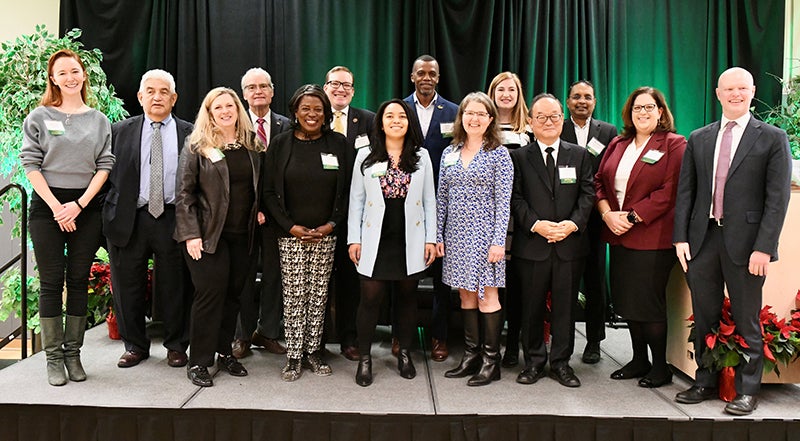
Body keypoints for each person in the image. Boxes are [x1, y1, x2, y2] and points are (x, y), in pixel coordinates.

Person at [673, 67, 792, 415]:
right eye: (729, 89)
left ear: (752, 92)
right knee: (705, 315)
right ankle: (704, 381)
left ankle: (747, 390)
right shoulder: (699, 138)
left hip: (748, 245)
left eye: (742, 88)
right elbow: (686, 192)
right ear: (718, 94)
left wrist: (764, 247)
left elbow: (777, 199)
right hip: (702, 240)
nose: (735, 94)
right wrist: (680, 238)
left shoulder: (772, 138)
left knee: (746, 318)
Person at [20, 49, 114, 386]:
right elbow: (30, 164)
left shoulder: (99, 120)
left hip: (85, 206)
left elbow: (105, 165)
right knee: (50, 282)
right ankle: (53, 359)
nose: (70, 77)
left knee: (77, 280)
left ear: (83, 75)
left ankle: (73, 354)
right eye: (62, 73)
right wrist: (57, 207)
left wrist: (78, 205)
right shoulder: (39, 116)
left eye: (74, 71)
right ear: (53, 79)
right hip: (47, 206)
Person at [595, 86, 686, 388]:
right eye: (637, 108)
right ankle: (638, 360)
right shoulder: (618, 143)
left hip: (652, 238)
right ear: (629, 113)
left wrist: (632, 217)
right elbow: (598, 182)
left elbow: (670, 191)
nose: (642, 113)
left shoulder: (674, 144)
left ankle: (660, 367)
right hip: (618, 234)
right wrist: (608, 214)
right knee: (627, 301)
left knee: (648, 303)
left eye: (649, 107)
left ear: (660, 112)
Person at [175, 87, 264, 387]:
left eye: (230, 106)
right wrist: (191, 234)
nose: (225, 111)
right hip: (207, 236)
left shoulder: (252, 144)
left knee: (233, 296)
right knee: (210, 294)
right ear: (210, 113)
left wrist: (260, 211)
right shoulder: (197, 145)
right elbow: (184, 193)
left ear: (238, 109)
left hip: (243, 235)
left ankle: (225, 352)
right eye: (218, 107)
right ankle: (199, 361)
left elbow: (256, 187)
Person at [103, 69, 192, 369]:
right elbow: (102, 174)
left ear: (174, 98)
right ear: (140, 97)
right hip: (130, 218)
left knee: (176, 285)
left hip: (173, 217)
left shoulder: (190, 133)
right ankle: (135, 346)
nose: (157, 97)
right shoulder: (118, 131)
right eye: (150, 91)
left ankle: (176, 345)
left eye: (164, 92)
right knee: (127, 285)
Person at [263, 84, 352, 382]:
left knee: (318, 295)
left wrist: (331, 225)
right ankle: (293, 355)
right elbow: (268, 192)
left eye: (318, 109)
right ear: (295, 112)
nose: (311, 114)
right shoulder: (280, 144)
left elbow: (348, 190)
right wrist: (289, 227)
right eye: (305, 108)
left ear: (326, 113)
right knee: (294, 295)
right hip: (290, 234)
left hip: (327, 233)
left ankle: (314, 351)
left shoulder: (338, 143)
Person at [347, 99, 437, 386]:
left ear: (409, 122)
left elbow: (430, 200)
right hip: (375, 236)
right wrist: (354, 239)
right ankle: (365, 358)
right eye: (389, 116)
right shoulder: (365, 155)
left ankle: (405, 353)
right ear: (381, 122)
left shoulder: (421, 156)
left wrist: (431, 239)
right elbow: (356, 200)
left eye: (402, 116)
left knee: (407, 297)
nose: (396, 120)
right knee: (370, 298)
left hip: (410, 236)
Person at [510, 93, 594, 388]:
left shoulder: (579, 155)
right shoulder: (519, 157)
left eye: (554, 116)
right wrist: (537, 225)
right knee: (531, 308)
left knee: (565, 309)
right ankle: (533, 362)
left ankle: (561, 363)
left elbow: (588, 194)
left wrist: (571, 225)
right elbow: (515, 198)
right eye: (541, 117)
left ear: (562, 119)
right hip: (533, 246)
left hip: (569, 246)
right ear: (530, 122)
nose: (548, 122)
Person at [438, 92, 513, 386]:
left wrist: (498, 242)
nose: (474, 118)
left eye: (481, 113)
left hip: (485, 237)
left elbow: (503, 202)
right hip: (456, 235)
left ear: (490, 119)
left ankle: (491, 361)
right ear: (462, 117)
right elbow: (442, 197)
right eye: (470, 113)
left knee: (487, 296)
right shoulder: (449, 152)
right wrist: (438, 235)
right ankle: (471, 356)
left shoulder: (499, 154)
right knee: (465, 295)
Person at [232, 67, 291, 359]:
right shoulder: (233, 125)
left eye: (263, 86)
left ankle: (267, 331)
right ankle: (242, 336)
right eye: (252, 87)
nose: (258, 92)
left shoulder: (287, 125)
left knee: (274, 275)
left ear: (272, 91)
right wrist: (253, 209)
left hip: (278, 216)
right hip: (242, 215)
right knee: (242, 276)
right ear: (244, 94)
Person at [403, 54, 459, 362]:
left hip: (445, 204)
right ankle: (402, 335)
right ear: (412, 76)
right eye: (421, 73)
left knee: (442, 277)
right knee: (406, 276)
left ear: (438, 77)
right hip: (406, 203)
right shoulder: (399, 109)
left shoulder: (454, 111)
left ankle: (440, 336)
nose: (427, 78)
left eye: (432, 73)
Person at [561, 80, 619, 364]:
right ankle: (562, 340)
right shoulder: (558, 127)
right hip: (563, 217)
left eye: (587, 97)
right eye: (576, 97)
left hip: (596, 217)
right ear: (567, 101)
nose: (581, 101)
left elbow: (611, 170)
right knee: (564, 282)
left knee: (595, 280)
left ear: (594, 101)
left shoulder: (607, 131)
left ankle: (595, 341)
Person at [323, 66, 375, 361]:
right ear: (325, 87)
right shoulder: (314, 116)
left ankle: (349, 338)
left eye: (346, 85)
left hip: (357, 212)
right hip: (320, 210)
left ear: (353, 91)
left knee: (351, 279)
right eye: (335, 84)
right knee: (318, 279)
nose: (340, 89)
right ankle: (315, 339)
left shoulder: (368, 120)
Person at [487, 71, 531, 368]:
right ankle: (489, 344)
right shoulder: (483, 127)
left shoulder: (530, 129)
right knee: (493, 284)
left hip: (521, 215)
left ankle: (513, 344)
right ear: (492, 93)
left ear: (518, 95)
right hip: (489, 216)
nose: (506, 94)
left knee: (517, 285)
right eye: (500, 89)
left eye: (511, 90)